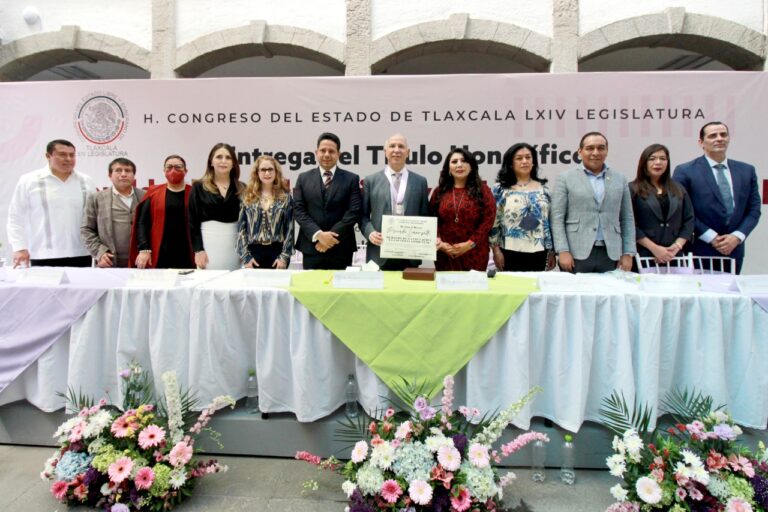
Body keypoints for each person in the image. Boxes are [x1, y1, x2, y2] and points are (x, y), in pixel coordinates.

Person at [673, 122, 761, 274]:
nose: (719, 139)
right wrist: (712, 237)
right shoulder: (685, 171)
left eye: (723, 134)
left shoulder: (747, 170)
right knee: (701, 296)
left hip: (734, 249)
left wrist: (737, 237)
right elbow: (682, 211)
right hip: (700, 248)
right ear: (701, 142)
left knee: (730, 296)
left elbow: (754, 210)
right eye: (713, 135)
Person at [550, 132, 636, 273]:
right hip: (576, 252)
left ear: (606, 151)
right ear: (580, 152)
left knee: (608, 294)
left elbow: (627, 218)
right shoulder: (565, 178)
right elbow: (557, 217)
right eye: (590, 148)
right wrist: (562, 250)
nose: (595, 153)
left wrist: (628, 253)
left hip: (611, 252)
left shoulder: (620, 178)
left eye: (601, 148)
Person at [7, 139, 96, 268]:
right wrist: (19, 247)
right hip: (43, 254)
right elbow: (15, 216)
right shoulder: (29, 180)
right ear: (48, 156)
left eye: (72, 155)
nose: (68, 159)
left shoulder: (86, 181)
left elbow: (94, 217)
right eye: (62, 154)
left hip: (81, 253)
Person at [361, 133, 430, 270]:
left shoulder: (420, 181)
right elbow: (362, 216)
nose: (396, 150)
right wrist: (370, 233)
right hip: (379, 253)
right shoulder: (371, 180)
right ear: (385, 152)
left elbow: (425, 215)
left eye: (401, 146)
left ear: (408, 152)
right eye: (392, 146)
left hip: (410, 254)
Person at [293, 132, 362, 270]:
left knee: (339, 291)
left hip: (341, 247)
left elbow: (353, 211)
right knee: (311, 289)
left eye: (331, 151)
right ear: (316, 152)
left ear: (339, 154)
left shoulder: (351, 179)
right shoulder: (303, 178)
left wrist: (329, 239)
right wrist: (319, 235)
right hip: (312, 248)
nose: (326, 154)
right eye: (323, 150)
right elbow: (299, 210)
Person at [490, 143, 555, 272]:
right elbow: (494, 222)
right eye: (519, 158)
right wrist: (495, 250)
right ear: (510, 163)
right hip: (509, 250)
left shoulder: (544, 189)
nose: (524, 161)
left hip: (539, 251)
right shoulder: (500, 189)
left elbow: (549, 222)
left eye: (528, 157)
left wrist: (551, 251)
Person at [429, 148, 495, 271]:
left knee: (473, 289)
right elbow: (432, 219)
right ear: (448, 168)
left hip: (475, 252)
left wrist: (470, 244)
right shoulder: (439, 191)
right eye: (454, 162)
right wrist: (440, 243)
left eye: (464, 161)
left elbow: (488, 221)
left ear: (471, 166)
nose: (459, 165)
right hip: (445, 253)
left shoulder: (483, 191)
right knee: (445, 289)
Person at [630, 144, 694, 266]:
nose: (658, 162)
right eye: (652, 158)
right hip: (644, 255)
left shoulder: (678, 188)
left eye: (663, 159)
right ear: (644, 162)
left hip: (674, 255)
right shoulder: (632, 189)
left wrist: (676, 246)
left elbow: (689, 220)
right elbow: (630, 224)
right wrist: (655, 249)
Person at [130, 155, 194, 269]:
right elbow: (142, 222)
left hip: (188, 251)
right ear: (164, 170)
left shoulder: (194, 193)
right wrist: (144, 248)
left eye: (178, 167)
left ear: (186, 170)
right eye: (169, 167)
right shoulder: (153, 192)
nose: (173, 171)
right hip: (159, 250)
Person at [188, 143, 245, 270]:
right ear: (211, 162)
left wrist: (245, 250)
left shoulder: (242, 188)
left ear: (234, 163)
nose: (223, 161)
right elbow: (192, 222)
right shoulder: (198, 187)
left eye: (228, 157)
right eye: (219, 157)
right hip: (208, 247)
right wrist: (198, 250)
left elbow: (247, 224)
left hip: (234, 247)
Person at [81, 157, 145, 268]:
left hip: (141, 261)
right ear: (110, 175)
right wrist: (99, 252)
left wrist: (147, 251)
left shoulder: (146, 196)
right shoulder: (97, 198)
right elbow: (87, 229)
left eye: (128, 170)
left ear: (134, 176)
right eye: (118, 170)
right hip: (109, 261)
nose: (123, 174)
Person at [236, 156, 295, 268]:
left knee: (277, 285)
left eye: (270, 169)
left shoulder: (285, 198)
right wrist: (246, 256)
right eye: (263, 170)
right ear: (257, 172)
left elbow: (290, 229)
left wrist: (284, 257)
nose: (267, 173)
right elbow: (241, 229)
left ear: (276, 172)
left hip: (277, 251)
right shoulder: (247, 197)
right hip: (253, 252)